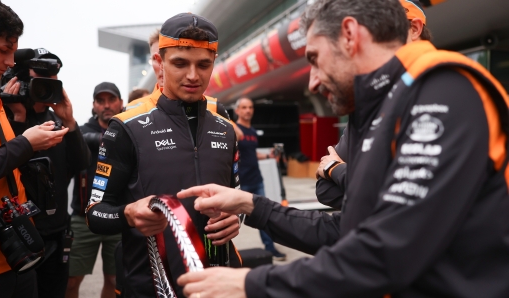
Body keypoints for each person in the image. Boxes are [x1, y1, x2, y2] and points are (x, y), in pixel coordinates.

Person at [175, 0, 509, 297]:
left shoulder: (444, 90)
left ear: (349, 34)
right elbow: (346, 231)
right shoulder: (381, 110)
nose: (312, 81)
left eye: (315, 59)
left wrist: (250, 285)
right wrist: (252, 204)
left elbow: (387, 252)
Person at [86, 13, 242, 298]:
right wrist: (128, 214)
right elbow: (94, 214)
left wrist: (236, 218)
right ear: (160, 62)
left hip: (218, 285)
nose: (193, 75)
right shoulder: (125, 127)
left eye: (203, 64)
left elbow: (235, 198)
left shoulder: (225, 127)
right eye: (180, 63)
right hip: (151, 287)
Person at [0, 1, 68, 296]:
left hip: (17, 252)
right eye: (4, 50)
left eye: (13, 51)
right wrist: (27, 142)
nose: (9, 62)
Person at [314, 0, 432, 209]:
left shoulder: (442, 90)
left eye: (380, 31)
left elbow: (417, 196)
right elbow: (325, 190)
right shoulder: (370, 102)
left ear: (414, 29)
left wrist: (336, 169)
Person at [3, 48, 90, 298]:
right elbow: (3, 166)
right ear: (18, 81)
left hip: (56, 233)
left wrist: (70, 123)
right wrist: (18, 118)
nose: (44, 88)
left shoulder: (58, 123)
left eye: (51, 83)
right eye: (38, 81)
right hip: (20, 236)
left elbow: (82, 162)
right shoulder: (5, 119)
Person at [125, 29, 245, 140]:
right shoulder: (132, 109)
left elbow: (235, 137)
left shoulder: (212, 105)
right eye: (155, 60)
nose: (162, 67)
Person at [66, 82, 124, 298]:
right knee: (71, 281)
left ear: (121, 103)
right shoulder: (81, 131)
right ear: (94, 105)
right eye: (101, 101)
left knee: (114, 279)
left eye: (111, 100)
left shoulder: (129, 129)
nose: (106, 105)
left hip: (118, 215)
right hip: (83, 217)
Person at [234, 97, 286, 261]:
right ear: (237, 111)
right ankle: (222, 255)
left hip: (257, 180)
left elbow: (251, 154)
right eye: (244, 107)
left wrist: (268, 155)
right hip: (240, 182)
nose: (248, 110)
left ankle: (270, 249)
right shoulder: (235, 129)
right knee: (230, 220)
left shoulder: (252, 131)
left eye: (250, 107)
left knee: (264, 217)